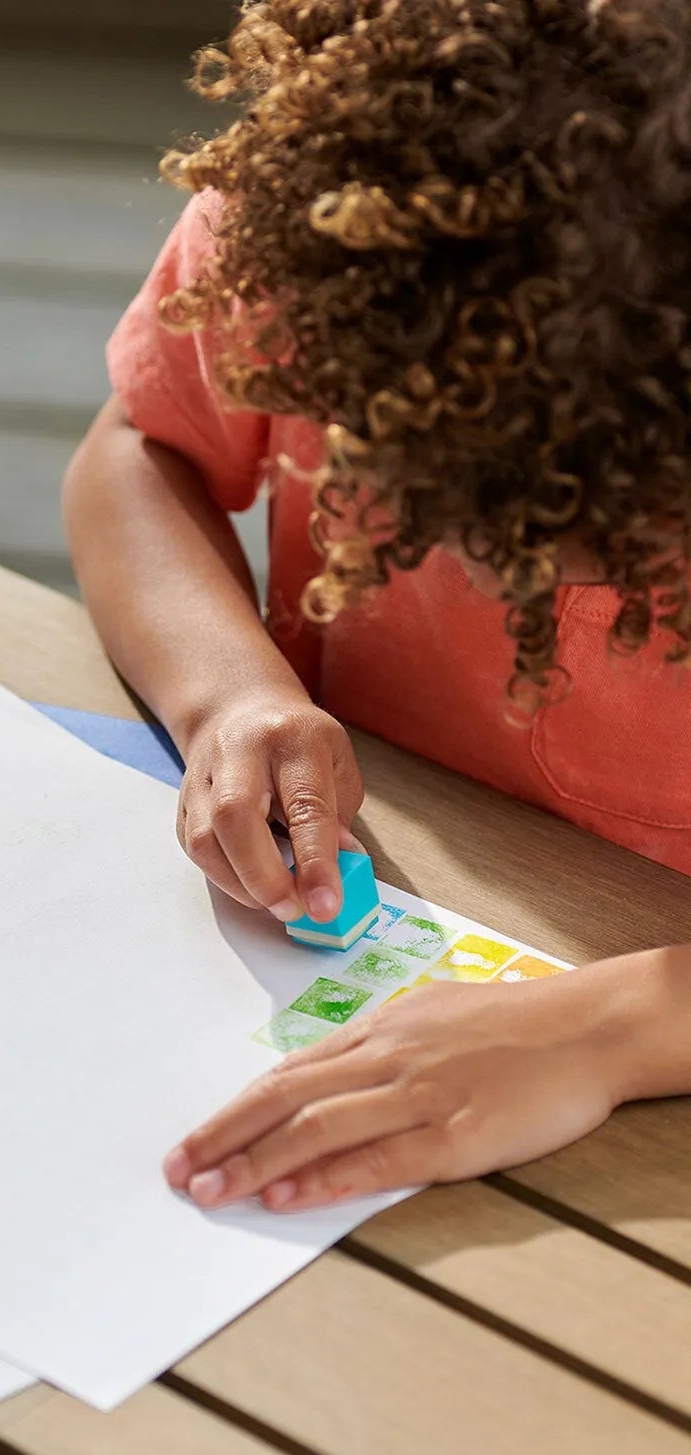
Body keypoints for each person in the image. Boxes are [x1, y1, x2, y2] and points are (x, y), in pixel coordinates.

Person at [63, 0, 691, 1213]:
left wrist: (610, 1029)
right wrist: (227, 693)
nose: (501, 573)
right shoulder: (339, 224)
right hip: (413, 886)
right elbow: (138, 452)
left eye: (592, 520)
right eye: (433, 488)